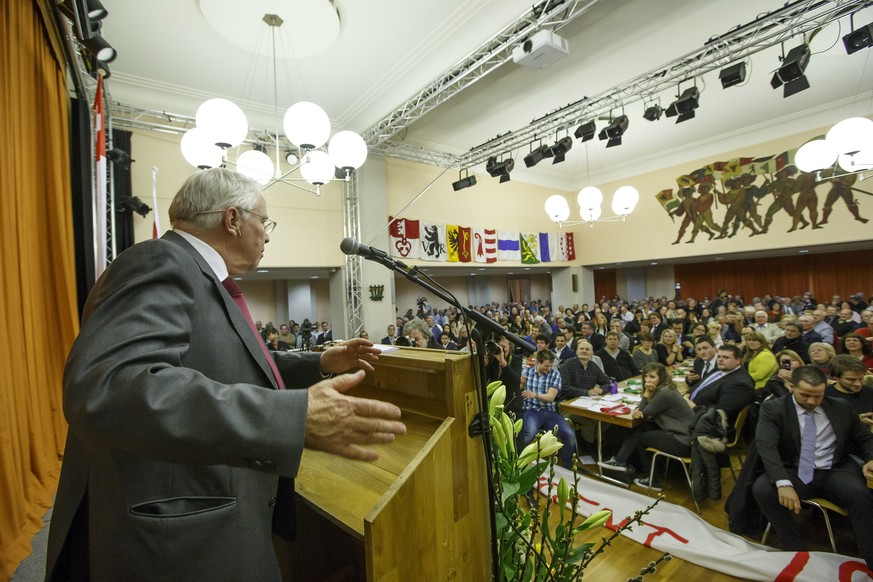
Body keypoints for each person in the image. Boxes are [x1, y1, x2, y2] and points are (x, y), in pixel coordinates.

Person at [45, 168, 406, 581]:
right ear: (232, 220)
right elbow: (109, 384)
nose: (267, 236)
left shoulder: (201, 275)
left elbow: (228, 363)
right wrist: (288, 417)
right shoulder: (161, 261)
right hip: (176, 532)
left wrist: (320, 364)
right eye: (264, 222)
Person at [752, 366, 873, 570]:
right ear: (792, 387)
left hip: (835, 469)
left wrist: (871, 458)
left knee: (861, 496)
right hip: (796, 468)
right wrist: (783, 483)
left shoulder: (840, 406)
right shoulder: (774, 409)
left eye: (818, 396)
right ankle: (795, 549)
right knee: (763, 488)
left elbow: (864, 437)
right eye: (805, 395)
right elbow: (767, 447)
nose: (811, 401)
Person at [599, 364, 696, 491]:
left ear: (661, 378)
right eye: (645, 376)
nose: (648, 380)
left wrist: (646, 393)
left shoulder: (664, 394)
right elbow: (643, 412)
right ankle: (620, 461)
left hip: (684, 441)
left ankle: (653, 480)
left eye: (652, 377)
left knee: (641, 438)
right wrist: (641, 410)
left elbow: (642, 413)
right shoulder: (666, 389)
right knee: (643, 427)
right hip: (686, 435)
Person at [518, 350, 576, 469]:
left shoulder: (555, 374)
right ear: (538, 363)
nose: (549, 368)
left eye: (550, 365)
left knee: (569, 434)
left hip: (549, 411)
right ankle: (519, 463)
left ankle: (567, 466)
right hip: (531, 410)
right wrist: (520, 383)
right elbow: (519, 391)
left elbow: (550, 398)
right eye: (546, 365)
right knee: (528, 435)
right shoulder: (527, 372)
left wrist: (535, 395)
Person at [684, 344, 755, 427]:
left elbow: (720, 414)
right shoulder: (719, 369)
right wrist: (687, 394)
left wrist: (693, 407)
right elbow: (699, 386)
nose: (720, 360)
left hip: (706, 426)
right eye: (719, 357)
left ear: (738, 360)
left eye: (725, 357)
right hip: (690, 410)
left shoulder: (741, 384)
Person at [825, 355, 873, 428]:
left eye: (861, 379)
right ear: (836, 377)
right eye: (851, 380)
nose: (858, 384)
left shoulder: (870, 392)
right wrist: (856, 420)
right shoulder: (825, 396)